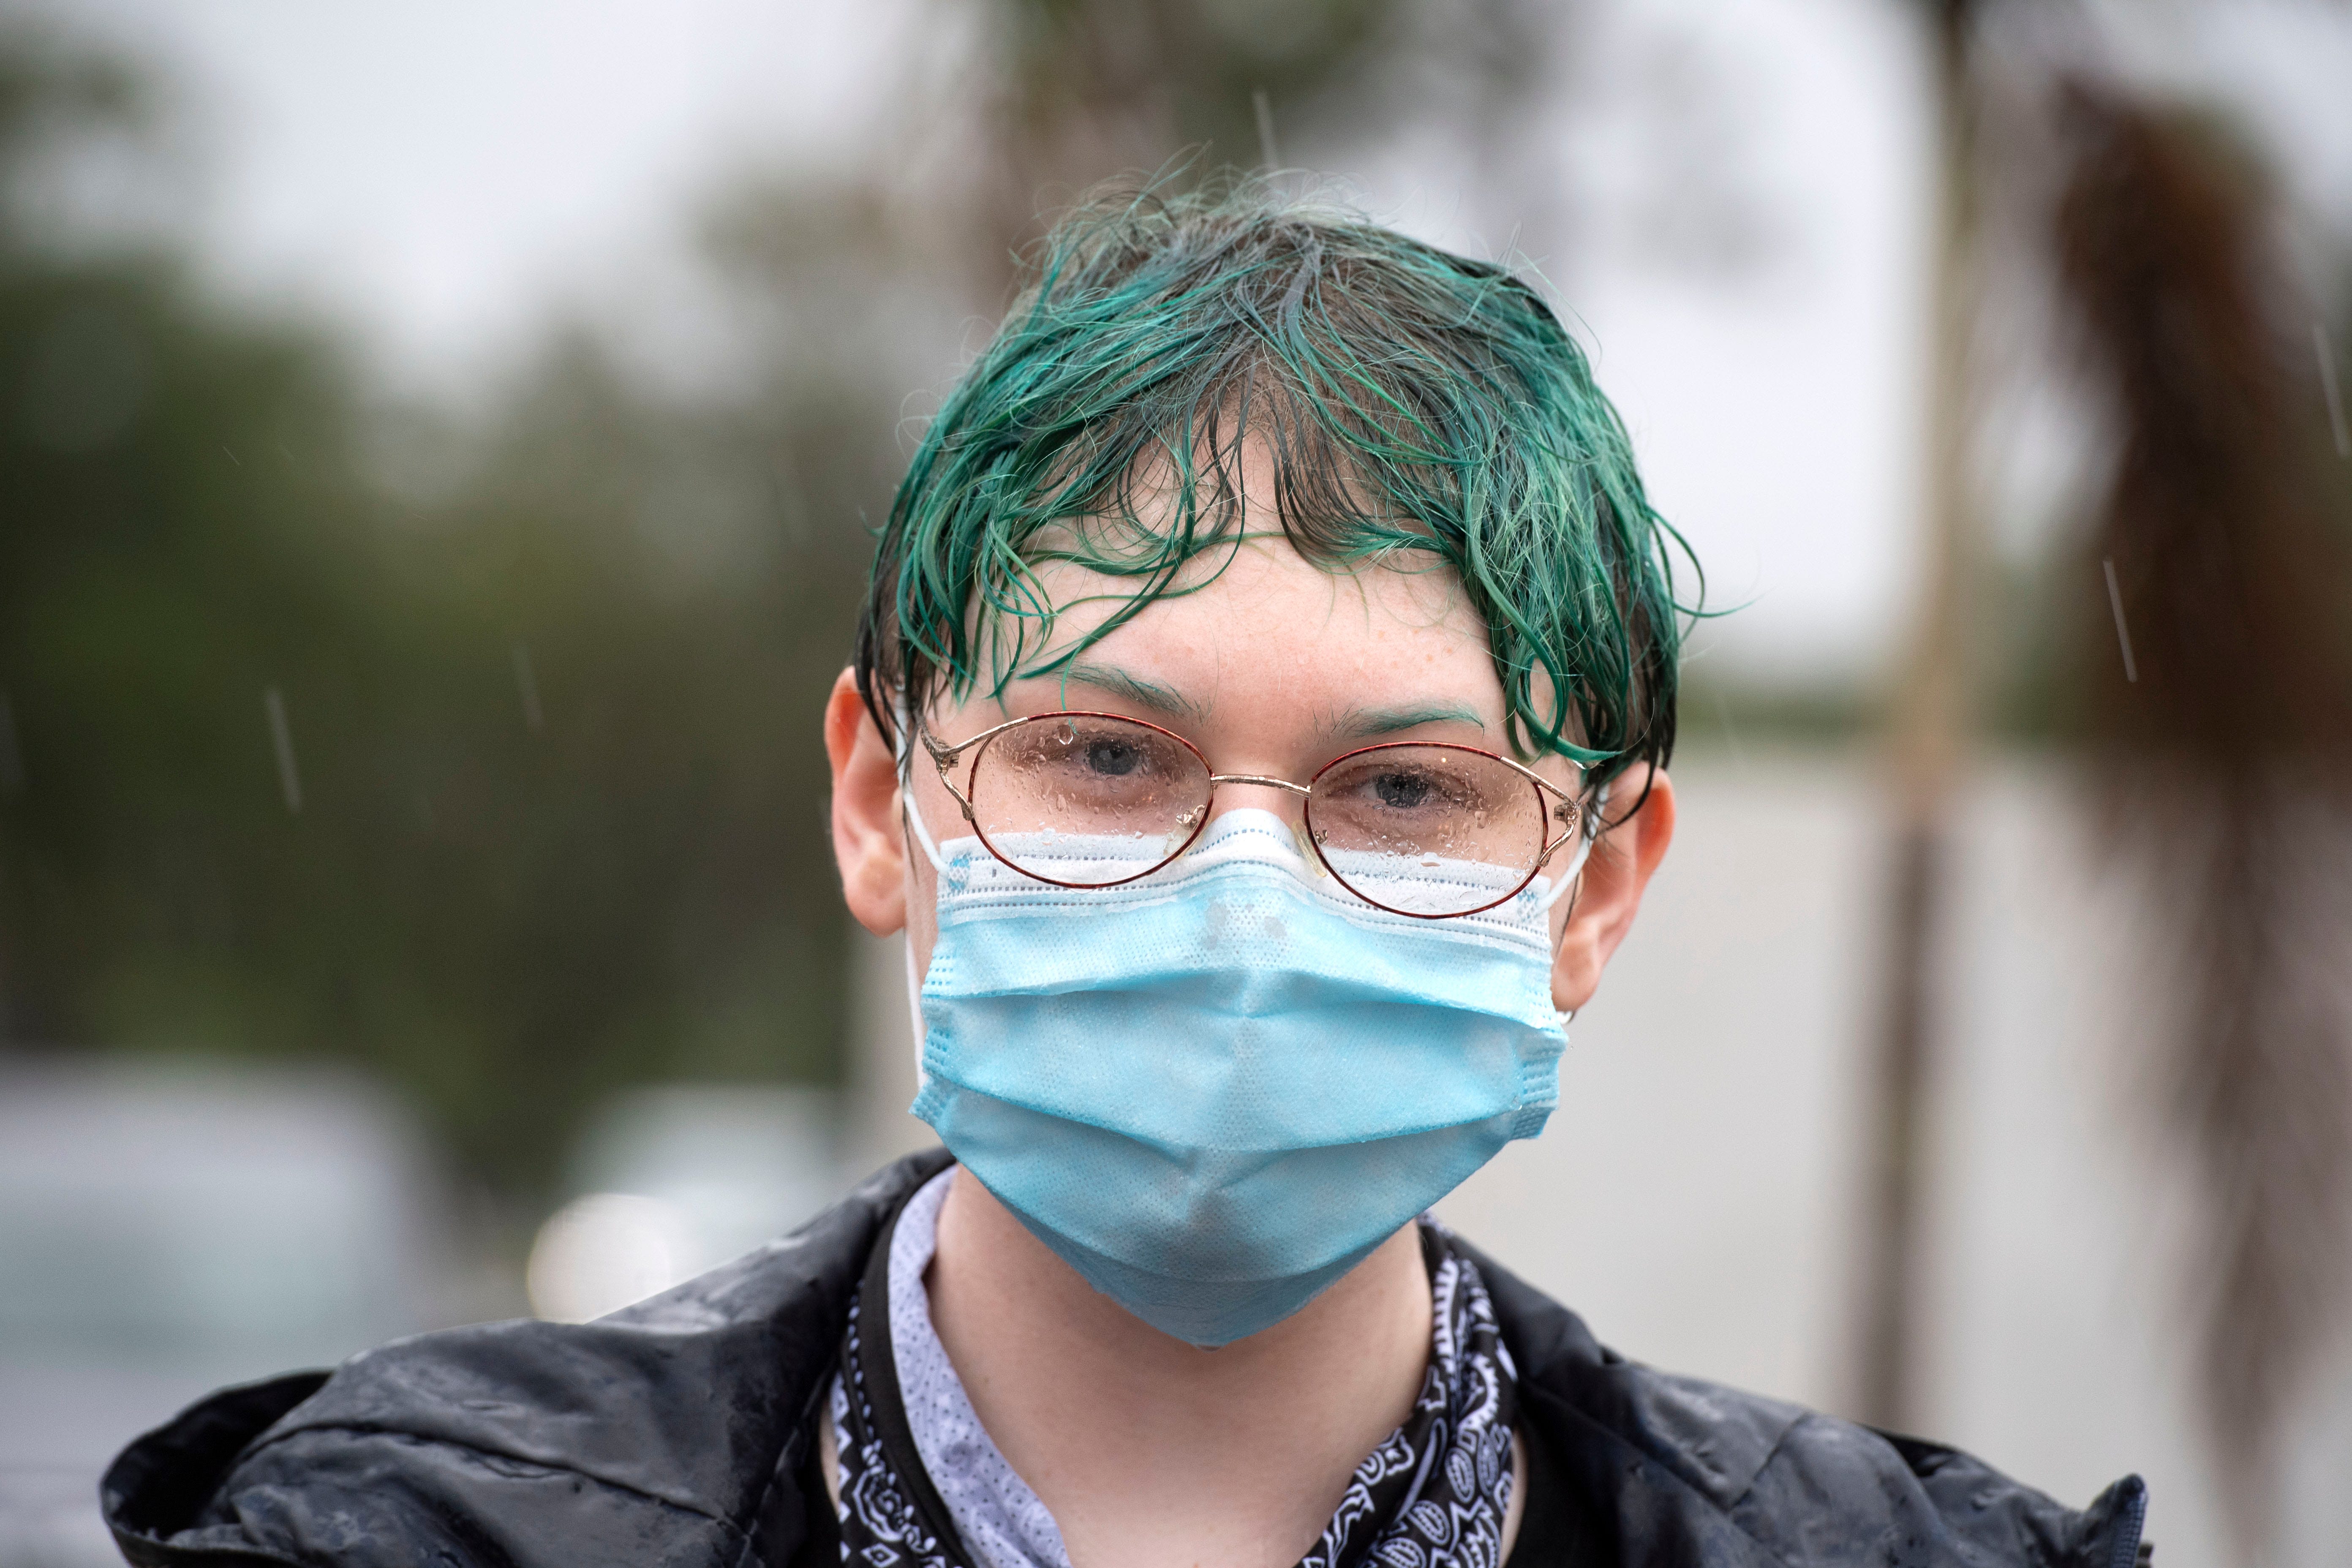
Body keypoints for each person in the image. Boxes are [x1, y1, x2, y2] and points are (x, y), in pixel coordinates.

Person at [102, 180, 2147, 1567]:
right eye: (1105, 753)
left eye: (1404, 790)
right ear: (880, 800)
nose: (1245, 904)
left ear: (1595, 887)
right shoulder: (423, 1534)